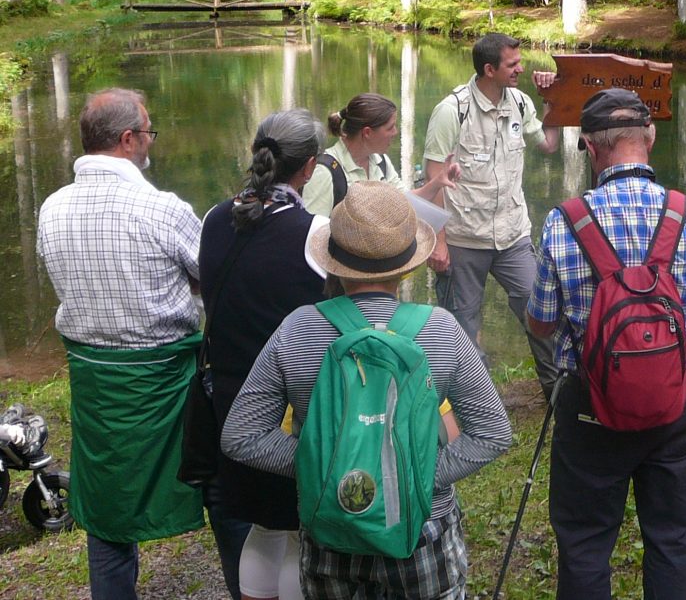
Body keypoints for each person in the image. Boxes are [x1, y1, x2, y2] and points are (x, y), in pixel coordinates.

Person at [221, 182, 513, 600]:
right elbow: (493, 433)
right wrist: (419, 477)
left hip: (332, 528)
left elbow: (241, 436)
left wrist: (323, 468)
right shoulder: (441, 330)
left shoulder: (298, 329)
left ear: (333, 263)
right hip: (422, 532)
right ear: (407, 266)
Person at [528, 88, 686, 599]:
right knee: (670, 536)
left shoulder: (564, 222)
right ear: (651, 137)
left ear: (591, 148)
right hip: (677, 400)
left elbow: (543, 324)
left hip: (592, 406)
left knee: (586, 541)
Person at [37, 88, 207, 599]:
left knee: (109, 503)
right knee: (218, 479)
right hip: (170, 380)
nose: (150, 141)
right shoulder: (161, 208)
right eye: (149, 132)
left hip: (94, 379)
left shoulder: (52, 207)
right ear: (129, 139)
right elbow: (212, 275)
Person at [199, 109, 330, 600]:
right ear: (310, 166)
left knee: (262, 524)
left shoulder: (213, 219)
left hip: (230, 398)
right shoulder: (317, 232)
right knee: (299, 528)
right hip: (290, 404)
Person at [423, 32, 560, 398]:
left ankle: (557, 392)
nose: (521, 68)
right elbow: (432, 179)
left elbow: (547, 144)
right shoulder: (451, 111)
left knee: (540, 311)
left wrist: (554, 102)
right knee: (463, 328)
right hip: (463, 239)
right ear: (489, 70)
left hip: (512, 236)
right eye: (512, 64)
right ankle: (474, 405)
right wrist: (438, 241)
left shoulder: (519, 102)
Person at [303, 92, 454, 220]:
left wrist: (437, 183)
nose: (395, 132)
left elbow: (404, 202)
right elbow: (313, 233)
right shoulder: (325, 171)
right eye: (390, 128)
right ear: (367, 133)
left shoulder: (381, 161)